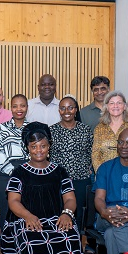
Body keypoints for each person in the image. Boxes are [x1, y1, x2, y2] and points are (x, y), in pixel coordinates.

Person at [0, 122, 83, 254]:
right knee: (31, 239)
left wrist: (66, 213)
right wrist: (28, 216)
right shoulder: (19, 172)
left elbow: (70, 199)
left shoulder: (60, 171)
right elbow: (13, 202)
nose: (39, 150)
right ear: (27, 148)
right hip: (24, 219)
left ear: (49, 146)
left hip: (56, 218)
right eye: (34, 146)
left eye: (43, 146)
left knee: (71, 235)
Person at [0, 94, 30, 254]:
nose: (19, 109)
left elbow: (37, 152)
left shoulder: (34, 128)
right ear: (11, 108)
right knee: (6, 215)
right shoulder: (0, 128)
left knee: (25, 214)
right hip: (5, 175)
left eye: (22, 106)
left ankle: (24, 252)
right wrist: (15, 174)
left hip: (29, 177)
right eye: (15, 106)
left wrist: (25, 174)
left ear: (26, 108)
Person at [49, 95, 93, 233]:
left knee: (79, 216)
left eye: (70, 107)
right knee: (58, 214)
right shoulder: (51, 131)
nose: (66, 111)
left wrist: (90, 168)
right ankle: (59, 247)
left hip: (81, 179)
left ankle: (77, 248)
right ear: (59, 110)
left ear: (75, 110)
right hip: (58, 181)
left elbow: (92, 152)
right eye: (62, 108)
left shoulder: (85, 130)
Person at [92, 91, 128, 172]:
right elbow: (96, 155)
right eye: (112, 103)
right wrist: (102, 173)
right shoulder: (99, 128)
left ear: (124, 106)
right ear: (106, 106)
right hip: (106, 175)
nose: (115, 106)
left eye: (119, 103)